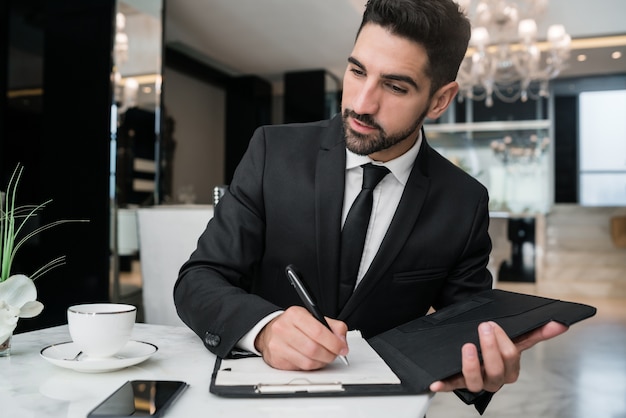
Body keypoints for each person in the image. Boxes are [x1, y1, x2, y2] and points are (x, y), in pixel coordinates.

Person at [174, 0, 567, 413]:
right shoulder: (273, 151)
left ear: (439, 100)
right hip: (259, 402)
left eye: (396, 87)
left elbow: (465, 329)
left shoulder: (463, 202)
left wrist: (484, 365)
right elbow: (199, 279)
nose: (361, 104)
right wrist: (264, 330)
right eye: (357, 71)